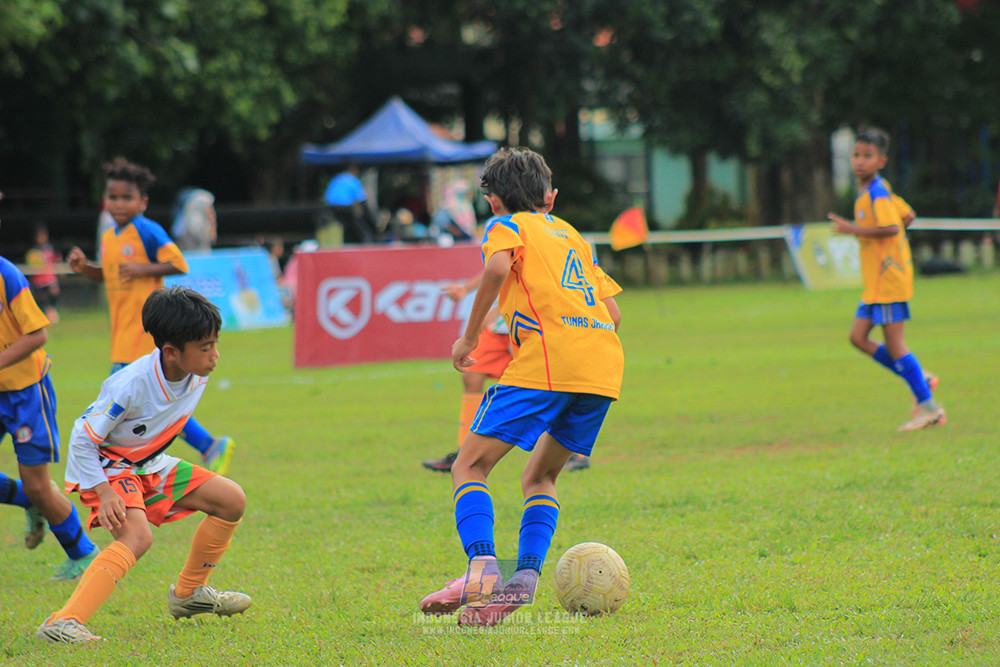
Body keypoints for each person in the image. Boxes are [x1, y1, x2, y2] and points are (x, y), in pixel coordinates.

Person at [419, 147, 624, 628]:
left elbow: (495, 269)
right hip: (603, 366)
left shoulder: (505, 226)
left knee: (469, 464)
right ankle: (524, 579)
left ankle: (482, 569)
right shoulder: (572, 236)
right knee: (540, 476)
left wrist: (469, 336)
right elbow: (613, 314)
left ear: (492, 202)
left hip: (550, 361)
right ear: (550, 198)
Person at [37, 287, 251, 644]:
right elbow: (82, 437)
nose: (216, 355)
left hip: (149, 464)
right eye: (206, 347)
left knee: (232, 500)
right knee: (137, 535)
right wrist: (104, 492)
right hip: (108, 466)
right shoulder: (130, 384)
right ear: (171, 351)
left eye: (215, 343)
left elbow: (162, 420)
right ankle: (62, 622)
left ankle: (189, 595)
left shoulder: (195, 370)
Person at [66, 157, 235, 474]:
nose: (118, 203)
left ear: (142, 202)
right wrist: (85, 269)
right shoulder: (109, 237)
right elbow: (111, 276)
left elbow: (178, 263)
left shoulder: (147, 230)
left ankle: (129, 463)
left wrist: (144, 268)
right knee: (147, 401)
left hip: (147, 332)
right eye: (113, 197)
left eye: (126, 197)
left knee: (135, 401)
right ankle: (207, 447)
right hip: (121, 332)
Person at [828, 127, 945, 431]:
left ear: (881, 160)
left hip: (888, 281)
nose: (859, 161)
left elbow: (893, 227)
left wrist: (853, 231)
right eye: (856, 155)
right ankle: (921, 378)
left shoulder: (878, 192)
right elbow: (908, 216)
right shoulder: (879, 191)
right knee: (857, 337)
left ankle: (930, 409)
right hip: (875, 284)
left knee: (896, 345)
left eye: (867, 156)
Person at [421, 273, 591, 474]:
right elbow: (498, 266)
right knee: (471, 376)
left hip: (529, 316)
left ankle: (575, 452)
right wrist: (466, 288)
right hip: (503, 319)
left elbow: (504, 268)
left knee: (548, 383)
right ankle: (463, 453)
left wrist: (490, 311)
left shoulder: (536, 243)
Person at [0, 253, 100, 580]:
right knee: (35, 491)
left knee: (39, 485)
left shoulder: (7, 275)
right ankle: (29, 501)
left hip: (26, 392)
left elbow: (38, 334)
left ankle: (83, 554)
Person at [324, 163, 377, 244]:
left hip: (331, 208)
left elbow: (328, 197)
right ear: (353, 170)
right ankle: (366, 240)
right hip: (346, 207)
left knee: (344, 225)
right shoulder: (353, 180)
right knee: (358, 224)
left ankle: (347, 241)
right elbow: (362, 200)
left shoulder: (336, 178)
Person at [24, 222, 62, 324]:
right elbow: (30, 265)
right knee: (41, 297)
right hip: (39, 280)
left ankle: (52, 311)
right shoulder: (33, 252)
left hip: (50, 278)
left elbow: (57, 259)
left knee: (54, 291)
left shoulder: (51, 247)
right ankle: (45, 314)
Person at [171, 188, 217, 252]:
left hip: (188, 229)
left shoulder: (184, 197)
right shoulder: (206, 197)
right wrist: (212, 231)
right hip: (199, 230)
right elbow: (211, 215)